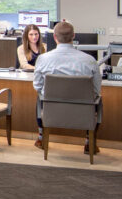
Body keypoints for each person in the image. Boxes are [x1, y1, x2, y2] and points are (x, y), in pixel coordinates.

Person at [31, 21, 103, 150]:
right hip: (83, 111)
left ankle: (41, 138)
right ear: (74, 36)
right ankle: (89, 141)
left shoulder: (43, 59)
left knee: (39, 98)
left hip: (51, 110)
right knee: (98, 101)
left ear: (54, 37)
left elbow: (37, 86)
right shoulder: (89, 60)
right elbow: (97, 90)